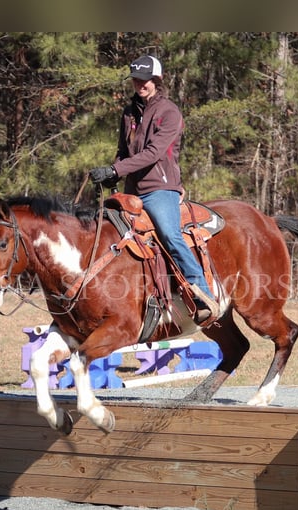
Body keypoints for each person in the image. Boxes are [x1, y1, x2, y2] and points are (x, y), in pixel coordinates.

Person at [89, 54, 220, 324]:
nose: (141, 84)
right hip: (131, 189)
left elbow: (153, 153)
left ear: (156, 81)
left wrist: (116, 170)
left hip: (160, 188)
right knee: (104, 233)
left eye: (145, 80)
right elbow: (123, 151)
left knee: (170, 236)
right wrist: (111, 177)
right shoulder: (128, 113)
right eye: (137, 79)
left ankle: (202, 294)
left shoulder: (169, 112)